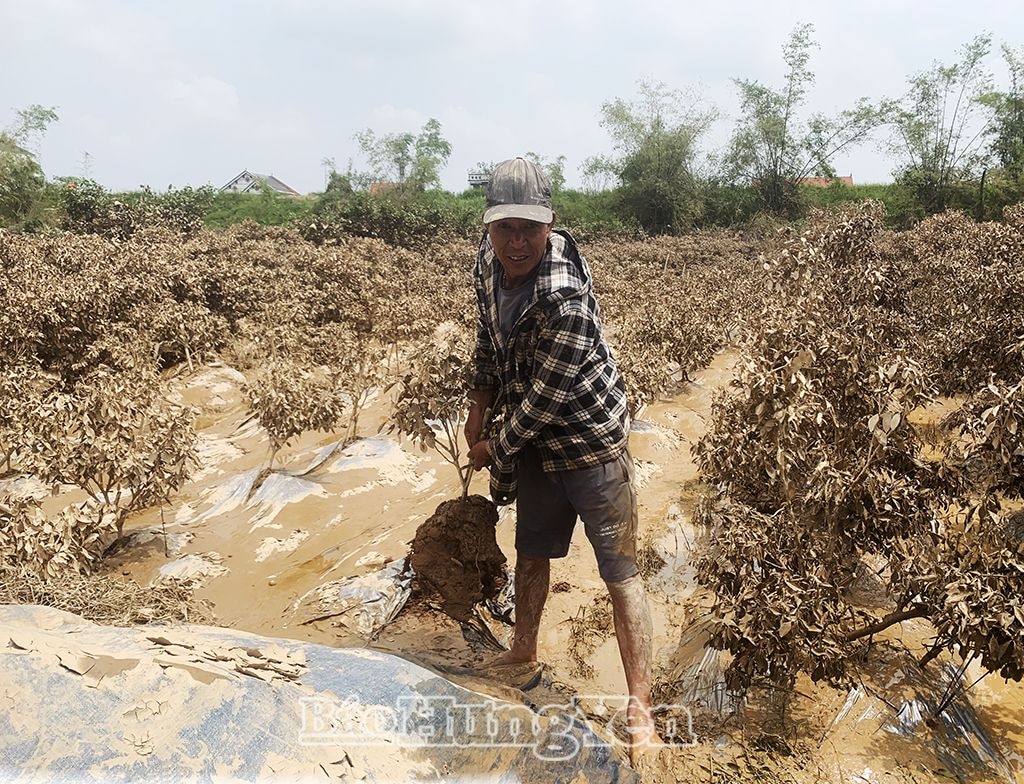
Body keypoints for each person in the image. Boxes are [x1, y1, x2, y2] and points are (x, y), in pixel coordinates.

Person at [465, 157, 659, 758]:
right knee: (531, 551)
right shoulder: (487, 263)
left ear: (550, 224)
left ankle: (641, 707)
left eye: (530, 228)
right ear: (489, 226)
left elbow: (545, 400)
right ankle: (523, 646)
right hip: (537, 442)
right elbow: (489, 343)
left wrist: (494, 448)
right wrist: (478, 403)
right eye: (505, 228)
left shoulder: (565, 295)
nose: (517, 243)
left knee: (619, 573)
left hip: (589, 440)